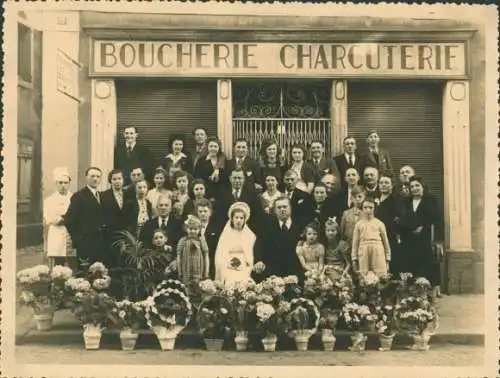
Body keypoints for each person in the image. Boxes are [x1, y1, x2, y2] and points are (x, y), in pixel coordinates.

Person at [399, 176, 442, 296]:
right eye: (412, 186)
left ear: (423, 186)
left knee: (425, 266)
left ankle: (426, 293)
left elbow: (436, 217)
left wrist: (423, 226)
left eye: (417, 185)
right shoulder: (406, 202)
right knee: (410, 267)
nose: (414, 188)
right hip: (409, 239)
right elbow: (402, 218)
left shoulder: (430, 200)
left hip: (425, 239)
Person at [65, 167, 107, 272]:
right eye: (92, 176)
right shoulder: (79, 196)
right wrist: (78, 239)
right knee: (85, 273)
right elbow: (69, 220)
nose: (95, 179)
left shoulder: (102, 196)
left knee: (99, 272)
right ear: (86, 178)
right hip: (85, 243)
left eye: (98, 176)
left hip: (100, 241)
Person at [253, 196, 304, 282]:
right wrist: (259, 260)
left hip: (294, 267)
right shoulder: (267, 225)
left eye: (285, 207)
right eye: (279, 207)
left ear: (290, 208)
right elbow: (259, 244)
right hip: (273, 267)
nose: (282, 209)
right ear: (275, 210)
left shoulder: (299, 225)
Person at [214, 202, 257, 284]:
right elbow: (221, 254)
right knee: (230, 280)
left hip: (244, 266)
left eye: (241, 218)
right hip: (228, 265)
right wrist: (230, 263)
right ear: (232, 219)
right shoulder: (226, 234)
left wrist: (244, 264)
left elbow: (250, 255)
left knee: (247, 281)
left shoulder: (249, 235)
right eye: (236, 217)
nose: (238, 220)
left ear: (244, 220)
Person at [43, 167, 76, 269]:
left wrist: (64, 217)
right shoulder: (49, 200)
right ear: (56, 184)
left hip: (71, 235)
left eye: (66, 183)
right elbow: (50, 218)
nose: (63, 186)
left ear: (69, 183)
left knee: (73, 265)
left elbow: (78, 216)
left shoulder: (75, 198)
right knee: (58, 266)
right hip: (56, 234)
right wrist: (65, 218)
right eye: (60, 183)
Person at [352, 198, 391, 277]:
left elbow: (386, 242)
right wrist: (354, 258)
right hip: (363, 250)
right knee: (364, 276)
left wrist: (387, 259)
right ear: (362, 209)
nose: (368, 210)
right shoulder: (359, 224)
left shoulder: (380, 223)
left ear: (375, 209)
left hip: (377, 250)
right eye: (365, 208)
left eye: (371, 208)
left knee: (380, 275)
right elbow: (355, 243)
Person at [375, 175, 404, 277]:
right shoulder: (374, 199)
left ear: (392, 186)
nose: (383, 185)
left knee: (391, 263)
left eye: (386, 183)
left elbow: (398, 219)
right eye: (381, 183)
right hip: (375, 236)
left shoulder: (395, 201)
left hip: (389, 236)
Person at [216, 169, 262, 233]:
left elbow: (256, 215)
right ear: (230, 179)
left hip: (246, 230)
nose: (237, 180)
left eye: (239, 178)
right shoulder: (222, 194)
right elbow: (219, 214)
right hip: (227, 230)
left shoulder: (251, 194)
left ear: (244, 179)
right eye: (234, 178)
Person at [176, 215, 210, 303]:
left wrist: (206, 273)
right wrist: (180, 271)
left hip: (198, 272)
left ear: (199, 230)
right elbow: (178, 256)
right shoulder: (182, 241)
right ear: (186, 229)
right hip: (186, 271)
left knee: (198, 291)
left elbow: (206, 255)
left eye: (195, 229)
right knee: (187, 292)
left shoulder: (201, 241)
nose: (193, 231)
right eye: (190, 229)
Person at [101, 169, 128, 268]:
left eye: (119, 179)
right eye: (114, 179)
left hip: (126, 234)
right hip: (110, 235)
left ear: (123, 180)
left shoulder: (129, 194)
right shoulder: (103, 195)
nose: (117, 181)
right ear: (110, 181)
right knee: (111, 263)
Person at [196, 199, 223, 279]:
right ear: (197, 213)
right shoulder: (193, 228)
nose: (203, 214)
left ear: (210, 212)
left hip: (212, 262)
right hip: (197, 262)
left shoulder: (217, 228)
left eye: (205, 211)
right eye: (200, 211)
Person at [322, 217, 350, 282]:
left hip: (340, 270)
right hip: (327, 270)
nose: (330, 233)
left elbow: (348, 264)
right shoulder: (324, 244)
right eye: (328, 230)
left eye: (333, 230)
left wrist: (345, 273)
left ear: (337, 231)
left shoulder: (342, 244)